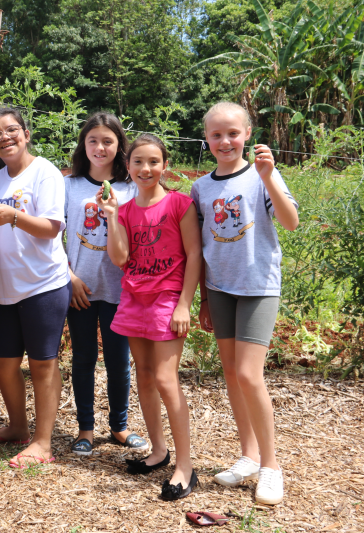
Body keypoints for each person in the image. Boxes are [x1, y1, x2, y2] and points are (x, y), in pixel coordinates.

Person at [192, 102, 299, 505]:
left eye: (232, 133)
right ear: (207, 139)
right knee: (233, 375)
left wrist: (269, 178)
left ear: (248, 134)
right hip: (220, 289)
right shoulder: (201, 187)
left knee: (251, 375)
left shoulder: (261, 176)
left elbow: (290, 221)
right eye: (216, 134)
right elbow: (201, 248)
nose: (225, 141)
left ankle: (271, 466)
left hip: (258, 286)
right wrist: (203, 296)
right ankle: (249, 456)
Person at [97, 133, 201, 501]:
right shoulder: (123, 209)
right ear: (127, 166)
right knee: (142, 374)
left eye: (154, 161)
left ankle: (186, 466)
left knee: (165, 378)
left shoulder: (179, 204)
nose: (146, 168)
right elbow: (120, 258)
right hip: (133, 298)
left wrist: (184, 304)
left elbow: (194, 256)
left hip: (167, 299)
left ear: (164, 165)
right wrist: (111, 218)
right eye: (138, 161)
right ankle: (158, 450)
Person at [0, 108, 72, 468]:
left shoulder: (44, 172)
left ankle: (43, 442)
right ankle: (18, 425)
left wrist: (13, 216)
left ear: (26, 133)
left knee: (42, 364)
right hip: (5, 287)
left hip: (43, 285)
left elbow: (52, 228)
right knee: (3, 362)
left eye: (12, 129)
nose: (6, 137)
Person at [64, 113, 148, 456]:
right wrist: (68, 279)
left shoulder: (131, 188)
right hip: (79, 288)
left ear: (119, 146)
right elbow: (53, 237)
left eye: (108, 141)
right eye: (93, 140)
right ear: (84, 145)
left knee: (118, 360)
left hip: (119, 290)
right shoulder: (68, 185)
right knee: (83, 358)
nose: (100, 147)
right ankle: (85, 429)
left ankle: (119, 427)